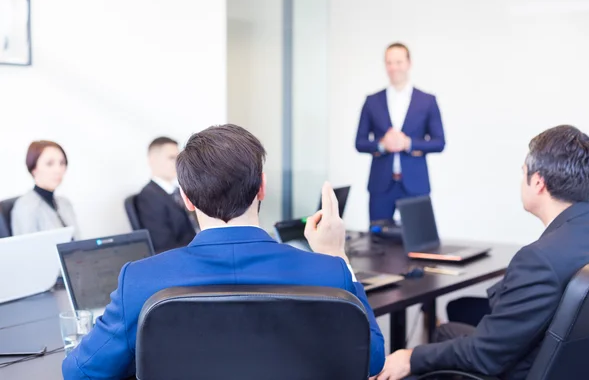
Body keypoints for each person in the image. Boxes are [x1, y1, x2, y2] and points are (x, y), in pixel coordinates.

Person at [63, 124, 385, 379]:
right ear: (262, 186)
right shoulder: (330, 272)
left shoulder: (138, 281)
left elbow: (79, 372)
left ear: (186, 198)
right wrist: (336, 254)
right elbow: (372, 359)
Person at [372, 125, 589, 380]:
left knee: (425, 351)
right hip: (576, 366)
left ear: (537, 182)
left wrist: (410, 357)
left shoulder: (539, 259)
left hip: (523, 369)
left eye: (523, 171)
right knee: (460, 313)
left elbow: (484, 355)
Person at [355, 42, 445, 222]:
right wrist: (382, 144)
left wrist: (408, 143)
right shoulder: (372, 101)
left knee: (419, 243)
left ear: (408, 63)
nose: (393, 67)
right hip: (381, 185)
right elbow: (360, 142)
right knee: (377, 242)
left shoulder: (427, 100)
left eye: (398, 62)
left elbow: (439, 142)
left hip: (415, 184)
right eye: (389, 62)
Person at [136, 137, 199, 253]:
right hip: (186, 255)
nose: (177, 162)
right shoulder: (149, 197)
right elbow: (163, 245)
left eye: (179, 157)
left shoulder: (180, 190)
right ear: (153, 160)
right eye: (171, 158)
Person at [11, 140, 80, 239]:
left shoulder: (65, 203)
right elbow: (28, 251)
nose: (58, 169)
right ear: (34, 168)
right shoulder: (25, 207)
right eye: (49, 163)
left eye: (62, 163)